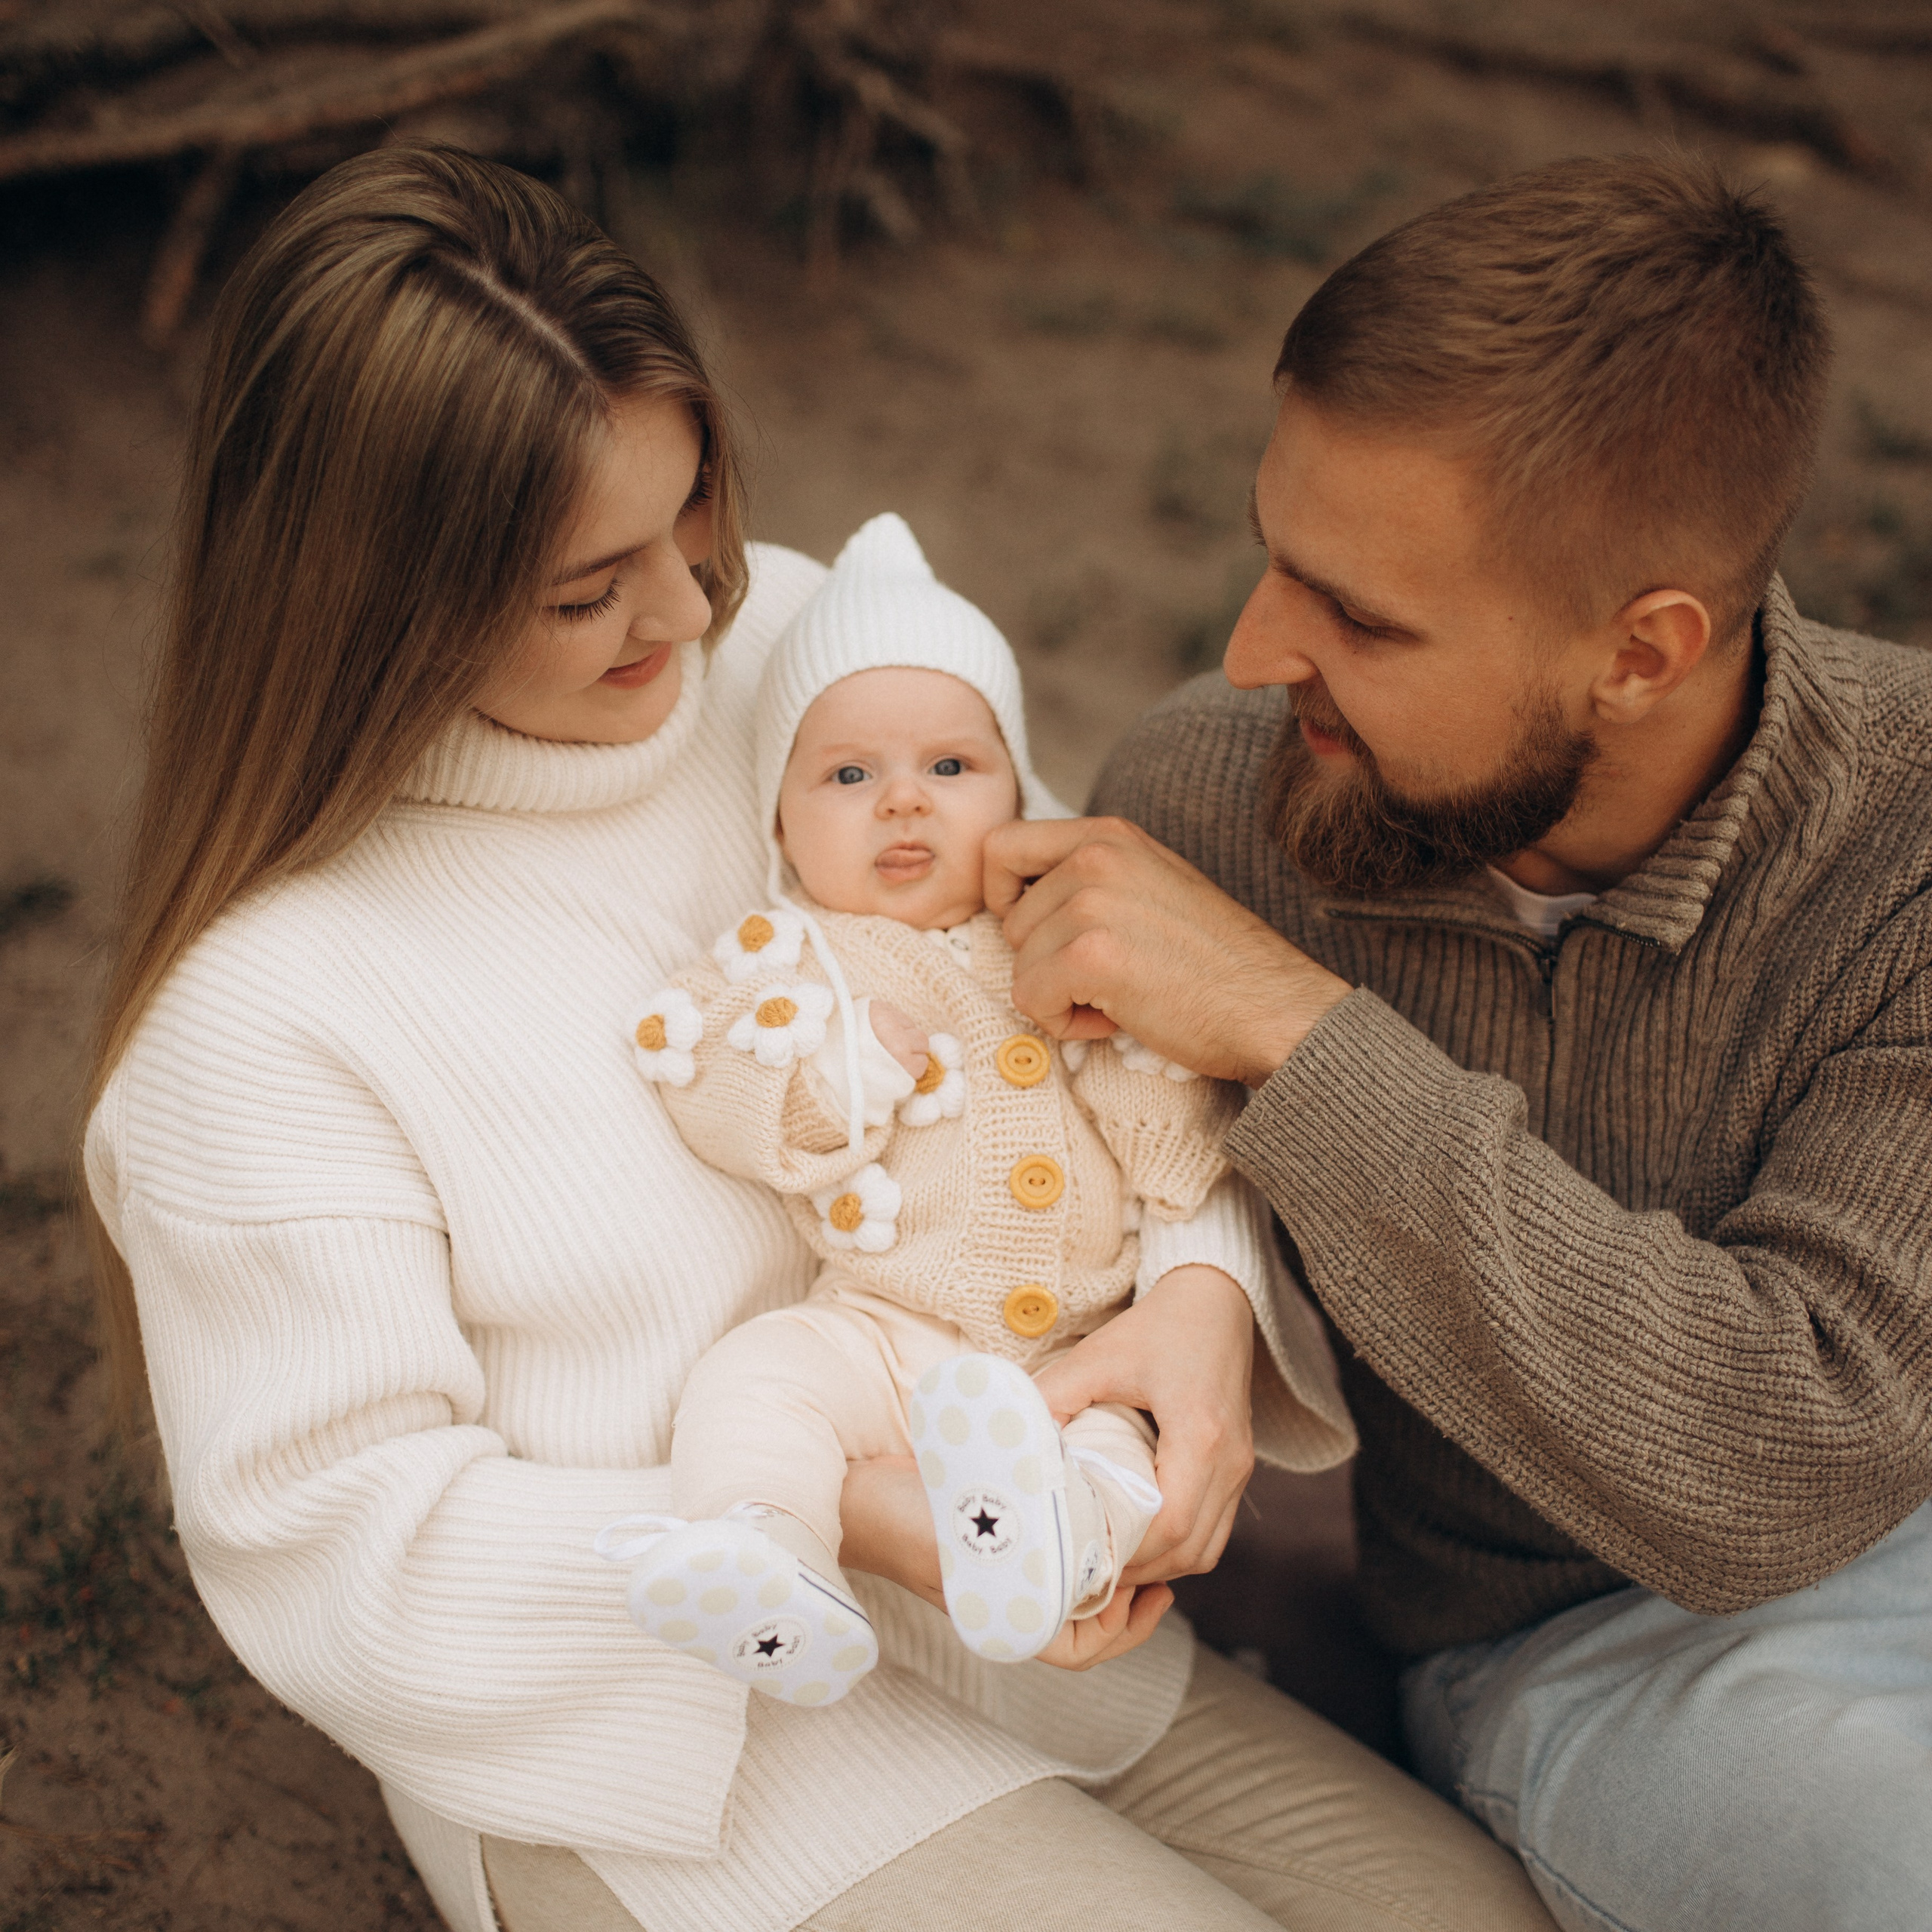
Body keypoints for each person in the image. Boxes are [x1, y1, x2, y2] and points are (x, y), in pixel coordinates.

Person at [82, 143, 1560, 1932]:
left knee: (1465, 1910)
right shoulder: (267, 1006)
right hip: (659, 1737)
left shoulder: (799, 649)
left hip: (1010, 1603)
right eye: (586, 589)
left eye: (688, 520)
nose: (689, 613)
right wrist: (853, 1515)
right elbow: (337, 1543)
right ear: (371, 594)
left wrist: (1195, 1291)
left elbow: (1093, 1012)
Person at [984, 154, 1932, 1932]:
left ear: (1637, 652)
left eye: (1362, 615)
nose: (1255, 650)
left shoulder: (1909, 837)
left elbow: (1786, 1441)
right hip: (1582, 1642)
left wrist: (1292, 1024)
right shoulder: (1204, 799)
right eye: (1277, 555)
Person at [614, 511, 1352, 1700]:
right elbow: (711, 1079)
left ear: (1017, 786)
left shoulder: (1060, 946)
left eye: (950, 768)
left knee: (1119, 1456)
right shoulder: (788, 961)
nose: (904, 803)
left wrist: (1167, 1167)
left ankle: (1055, 1542)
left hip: (1073, 1350)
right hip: (881, 1326)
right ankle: (763, 1553)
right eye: (851, 775)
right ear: (782, 824)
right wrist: (840, 1073)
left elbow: (1169, 1098)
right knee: (758, 1384)